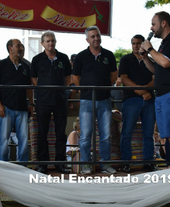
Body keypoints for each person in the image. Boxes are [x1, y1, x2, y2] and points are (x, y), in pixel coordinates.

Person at [140, 11, 170, 168]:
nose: (151, 27)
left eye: (153, 24)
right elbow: (157, 69)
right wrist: (145, 57)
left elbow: (166, 63)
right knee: (168, 136)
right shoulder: (164, 44)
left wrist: (150, 49)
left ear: (163, 23)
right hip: (162, 95)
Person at [72, 25, 118, 175]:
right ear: (87, 40)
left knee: (105, 135)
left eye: (97, 35)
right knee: (85, 135)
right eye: (92, 36)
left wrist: (105, 88)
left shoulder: (109, 55)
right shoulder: (81, 56)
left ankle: (105, 164)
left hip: (105, 100)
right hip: (86, 101)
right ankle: (86, 165)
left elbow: (113, 76)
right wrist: (84, 90)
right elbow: (75, 78)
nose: (96, 38)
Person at [31, 31, 72, 174]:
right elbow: (34, 79)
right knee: (42, 133)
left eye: (53, 40)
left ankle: (60, 164)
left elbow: (68, 78)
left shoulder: (63, 58)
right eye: (48, 41)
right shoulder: (37, 59)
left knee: (61, 133)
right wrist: (43, 91)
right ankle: (42, 164)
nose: (51, 43)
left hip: (60, 100)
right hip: (43, 101)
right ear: (42, 43)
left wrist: (61, 91)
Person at [0, 39, 33, 162]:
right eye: (18, 46)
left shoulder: (25, 66)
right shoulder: (1, 65)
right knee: (4, 138)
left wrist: (31, 103)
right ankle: (3, 164)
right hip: (6, 107)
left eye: (21, 46)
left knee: (23, 138)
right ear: (10, 48)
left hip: (22, 107)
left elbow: (29, 87)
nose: (21, 48)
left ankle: (23, 165)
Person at [119, 34, 156, 173]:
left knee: (149, 133)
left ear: (143, 44)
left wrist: (145, 91)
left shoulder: (151, 60)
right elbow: (123, 78)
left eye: (138, 43)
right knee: (126, 131)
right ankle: (125, 162)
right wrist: (141, 91)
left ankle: (148, 162)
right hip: (131, 99)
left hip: (148, 99)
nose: (136, 45)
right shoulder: (125, 59)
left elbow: (155, 78)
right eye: (133, 43)